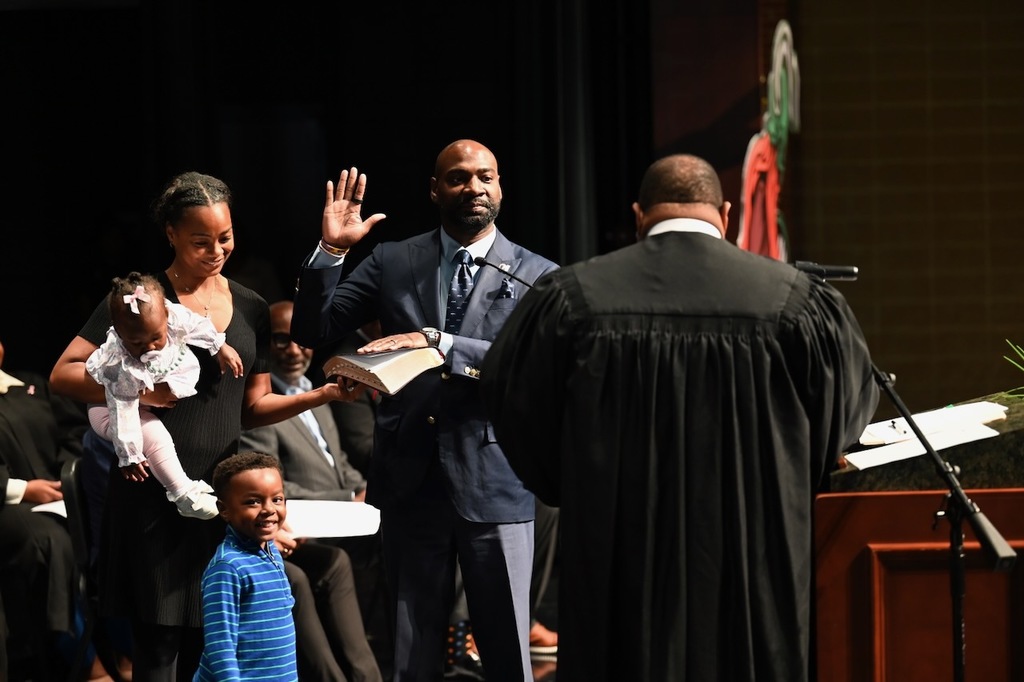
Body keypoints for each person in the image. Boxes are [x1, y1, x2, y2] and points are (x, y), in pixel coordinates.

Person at [479, 153, 880, 682]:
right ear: (727, 213)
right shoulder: (798, 303)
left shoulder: (572, 300)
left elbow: (515, 407)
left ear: (639, 214)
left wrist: (574, 482)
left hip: (617, 558)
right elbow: (841, 424)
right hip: (756, 561)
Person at [50, 171, 354, 681]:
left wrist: (321, 394)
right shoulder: (140, 302)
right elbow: (64, 374)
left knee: (211, 645)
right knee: (159, 647)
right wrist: (142, 392)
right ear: (170, 233)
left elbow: (251, 407)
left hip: (217, 501)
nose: (216, 251)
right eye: (200, 241)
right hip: (152, 492)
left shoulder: (252, 306)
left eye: (225, 238)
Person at [290, 139, 559, 681]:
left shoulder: (538, 274)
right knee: (411, 655)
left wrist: (444, 344)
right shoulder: (393, 259)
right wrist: (332, 252)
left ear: (500, 186)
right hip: (410, 479)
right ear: (435, 189)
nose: (475, 187)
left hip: (496, 481)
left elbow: (542, 367)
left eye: (486, 176)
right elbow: (310, 330)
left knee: (508, 652)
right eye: (459, 177)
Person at [239, 299, 383, 682]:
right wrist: (347, 500)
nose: (293, 351)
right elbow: (271, 484)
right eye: (281, 341)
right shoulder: (261, 404)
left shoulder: (318, 395)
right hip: (307, 523)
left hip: (345, 516)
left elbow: (340, 464)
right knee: (340, 561)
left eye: (301, 341)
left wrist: (365, 490)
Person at [86, 271, 243, 520]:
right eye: (136, 342)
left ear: (167, 315)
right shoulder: (120, 364)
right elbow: (123, 410)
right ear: (119, 332)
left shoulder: (173, 316)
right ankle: (183, 493)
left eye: (156, 338)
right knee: (153, 434)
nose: (148, 347)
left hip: (144, 397)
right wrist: (129, 454)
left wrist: (219, 346)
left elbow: (196, 324)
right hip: (108, 410)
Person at [0, 337, 93, 680]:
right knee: (53, 541)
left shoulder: (33, 386)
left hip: (60, 496)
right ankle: (78, 656)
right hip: (9, 505)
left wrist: (65, 482)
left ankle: (122, 649)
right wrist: (24, 490)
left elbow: (74, 433)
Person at [193, 451, 297, 681]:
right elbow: (220, 644)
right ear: (224, 510)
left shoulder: (271, 551)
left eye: (277, 499)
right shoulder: (228, 567)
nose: (269, 509)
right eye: (253, 501)